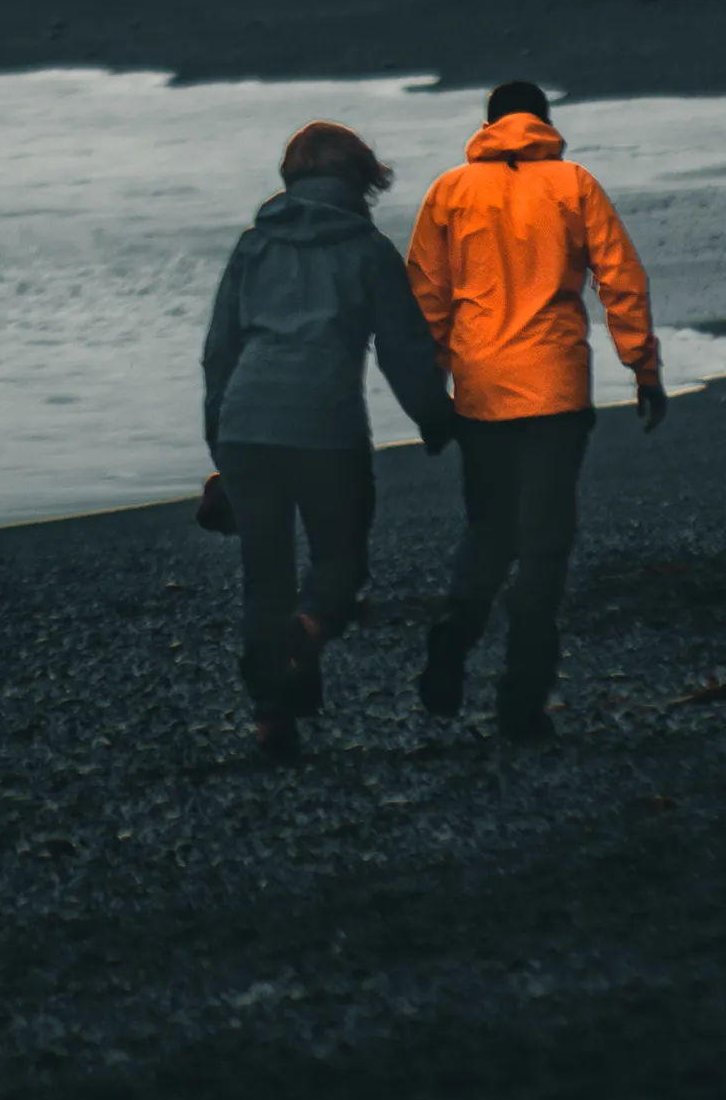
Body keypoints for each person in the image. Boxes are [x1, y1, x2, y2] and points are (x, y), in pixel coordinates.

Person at [406, 81, 667, 740]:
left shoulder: (449, 191)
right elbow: (619, 278)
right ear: (542, 124)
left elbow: (427, 298)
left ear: (489, 126)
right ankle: (520, 700)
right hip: (553, 386)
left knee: (489, 526)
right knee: (545, 543)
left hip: (481, 387)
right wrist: (644, 368)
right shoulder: (572, 183)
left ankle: (457, 628)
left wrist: (432, 386)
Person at [203, 121, 454, 761]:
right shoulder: (369, 252)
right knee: (340, 563)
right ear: (361, 180)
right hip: (326, 430)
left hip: (246, 426)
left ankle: (271, 717)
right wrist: (433, 416)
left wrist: (218, 442)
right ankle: (308, 634)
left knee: (265, 577)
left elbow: (220, 353)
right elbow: (403, 350)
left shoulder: (252, 246)